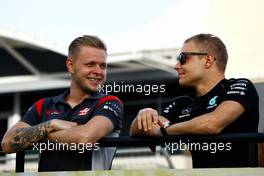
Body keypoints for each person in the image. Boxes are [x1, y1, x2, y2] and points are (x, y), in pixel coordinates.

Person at [130, 33, 259, 168]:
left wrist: (165, 129)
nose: (176, 65)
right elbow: (137, 130)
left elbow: (212, 124)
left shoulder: (240, 85)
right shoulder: (183, 102)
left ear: (208, 61)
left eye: (183, 58)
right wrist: (145, 113)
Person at [1, 35, 123, 171]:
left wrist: (41, 136)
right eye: (90, 64)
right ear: (70, 65)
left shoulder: (110, 102)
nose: (98, 71)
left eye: (103, 66)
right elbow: (7, 143)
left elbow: (84, 138)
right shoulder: (43, 105)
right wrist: (50, 124)